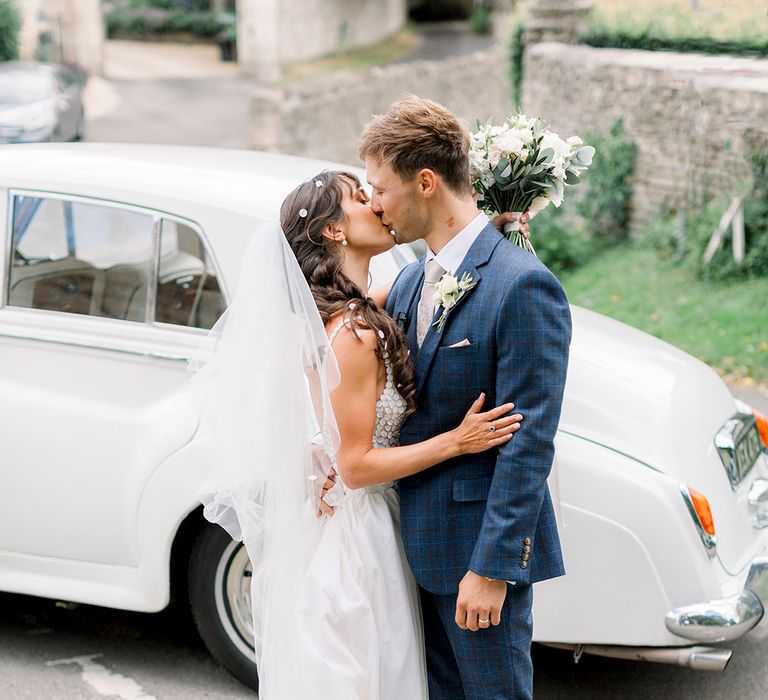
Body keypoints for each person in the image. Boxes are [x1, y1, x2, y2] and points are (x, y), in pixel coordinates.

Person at [192, 169, 524, 699]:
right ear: (333, 231)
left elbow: (436, 278)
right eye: (360, 198)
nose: (376, 203)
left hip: (370, 519)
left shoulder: (359, 310)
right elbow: (354, 465)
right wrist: (456, 442)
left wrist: (490, 232)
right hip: (358, 537)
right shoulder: (351, 332)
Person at [356, 95, 572, 700]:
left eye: (380, 188)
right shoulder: (405, 280)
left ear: (424, 182)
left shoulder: (522, 285)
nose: (375, 204)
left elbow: (530, 442)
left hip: (477, 560)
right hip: (412, 551)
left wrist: (492, 569)